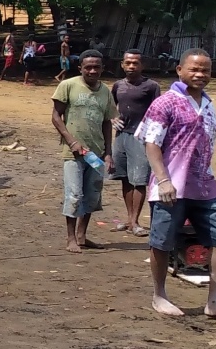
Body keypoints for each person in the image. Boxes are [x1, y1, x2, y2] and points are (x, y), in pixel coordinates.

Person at [139, 49, 216, 319]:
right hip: (170, 185)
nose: (200, 75)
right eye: (194, 69)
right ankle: (159, 295)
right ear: (179, 70)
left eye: (205, 70)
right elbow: (151, 144)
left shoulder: (209, 105)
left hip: (204, 184)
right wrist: (163, 180)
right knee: (162, 242)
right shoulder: (165, 103)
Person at [51, 50, 115, 253]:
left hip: (95, 154)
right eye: (88, 67)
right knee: (74, 195)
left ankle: (82, 236)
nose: (93, 70)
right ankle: (70, 238)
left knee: (91, 196)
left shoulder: (106, 91)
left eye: (97, 67)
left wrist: (108, 153)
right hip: (74, 153)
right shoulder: (67, 85)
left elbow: (107, 123)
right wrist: (71, 142)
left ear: (102, 68)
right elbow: (55, 116)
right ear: (80, 68)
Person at [109, 50, 159, 236]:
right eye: (128, 63)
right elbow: (111, 107)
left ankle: (136, 221)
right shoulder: (117, 86)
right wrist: (113, 118)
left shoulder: (151, 86)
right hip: (121, 136)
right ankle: (129, 219)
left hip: (141, 137)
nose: (131, 66)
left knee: (139, 180)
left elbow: (157, 111)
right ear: (122, 64)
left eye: (135, 63)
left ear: (142, 65)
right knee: (125, 178)